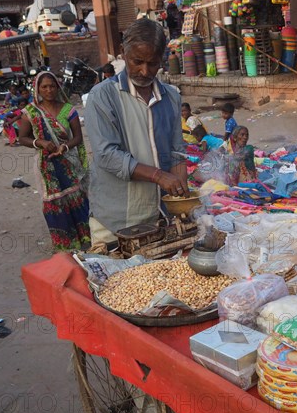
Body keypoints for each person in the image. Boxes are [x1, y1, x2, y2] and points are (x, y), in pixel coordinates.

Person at [84, 18, 187, 246]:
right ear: (123, 53)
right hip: (116, 221)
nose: (144, 70)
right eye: (137, 61)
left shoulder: (171, 96)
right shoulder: (102, 96)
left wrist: (181, 189)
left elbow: (177, 150)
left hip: (159, 217)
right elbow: (107, 155)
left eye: (152, 63)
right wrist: (159, 176)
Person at [17, 71, 90, 250]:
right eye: (44, 87)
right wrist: (39, 142)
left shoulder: (68, 109)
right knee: (54, 203)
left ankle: (87, 243)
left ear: (58, 87)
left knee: (76, 199)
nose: (49, 90)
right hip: (46, 166)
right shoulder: (31, 112)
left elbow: (78, 138)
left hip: (69, 163)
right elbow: (22, 138)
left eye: (52, 86)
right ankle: (65, 247)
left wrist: (64, 147)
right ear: (38, 89)